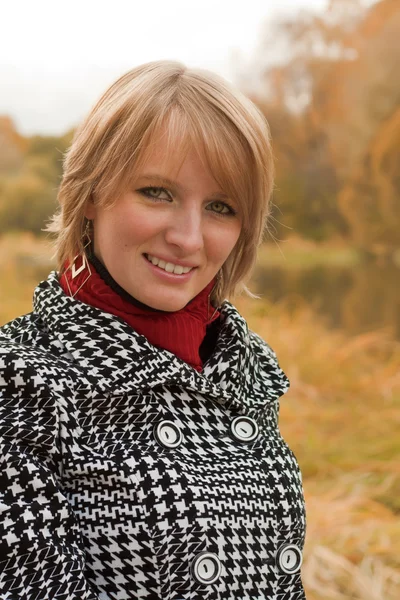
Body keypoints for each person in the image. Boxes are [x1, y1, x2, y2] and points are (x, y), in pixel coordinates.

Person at [0, 61, 306, 599]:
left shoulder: (241, 373)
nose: (189, 238)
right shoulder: (22, 386)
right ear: (93, 193)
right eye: (157, 193)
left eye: (220, 206)